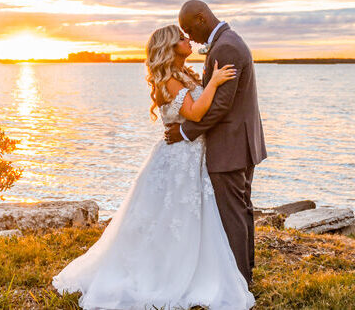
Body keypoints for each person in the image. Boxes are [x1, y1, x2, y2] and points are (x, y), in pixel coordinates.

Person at [52, 24, 256, 310]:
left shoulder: (184, 75)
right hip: (178, 158)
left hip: (193, 155)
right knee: (168, 216)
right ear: (170, 47)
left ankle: (195, 265)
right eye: (182, 38)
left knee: (189, 216)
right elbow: (196, 112)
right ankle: (160, 273)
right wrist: (215, 83)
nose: (189, 40)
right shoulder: (170, 81)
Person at [165, 0, 267, 286]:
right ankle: (244, 273)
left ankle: (238, 282)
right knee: (241, 208)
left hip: (230, 145)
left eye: (187, 28)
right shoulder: (228, 42)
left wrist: (185, 132)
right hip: (239, 143)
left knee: (233, 213)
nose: (188, 35)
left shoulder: (226, 47)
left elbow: (221, 105)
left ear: (201, 18)